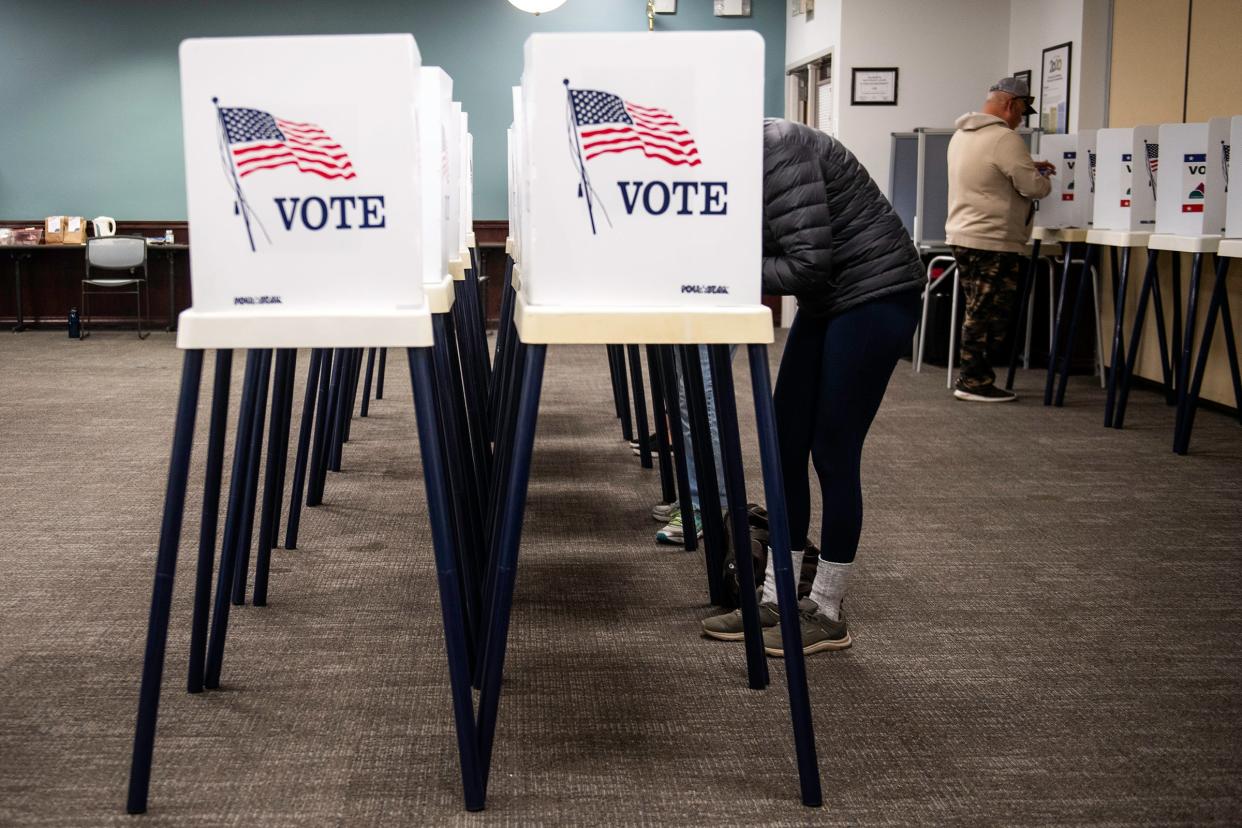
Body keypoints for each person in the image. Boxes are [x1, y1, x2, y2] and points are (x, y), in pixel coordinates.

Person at [701, 119, 926, 656]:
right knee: (784, 440)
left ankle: (825, 609)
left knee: (832, 449)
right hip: (830, 297)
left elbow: (805, 262)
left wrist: (725, 270)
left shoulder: (777, 145)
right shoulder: (730, 158)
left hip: (877, 294)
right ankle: (777, 597)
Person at [945, 76, 1055, 402]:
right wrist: (1044, 179)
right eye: (1022, 111)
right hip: (992, 238)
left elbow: (987, 172)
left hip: (963, 234)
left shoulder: (962, 135)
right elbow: (1033, 188)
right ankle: (973, 381)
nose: (1022, 119)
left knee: (977, 307)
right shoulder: (1004, 138)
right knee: (987, 312)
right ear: (1010, 104)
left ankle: (975, 377)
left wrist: (1027, 165)